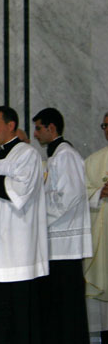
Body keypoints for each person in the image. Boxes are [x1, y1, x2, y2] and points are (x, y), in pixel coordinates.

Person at [0, 106, 48, 344]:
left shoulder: (27, 154)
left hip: (17, 252)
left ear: (11, 125)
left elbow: (22, 193)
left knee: (17, 322)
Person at [32, 107, 91, 344]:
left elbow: (71, 195)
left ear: (51, 127)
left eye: (38, 129)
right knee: (57, 306)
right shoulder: (55, 157)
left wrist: (40, 216)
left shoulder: (66, 155)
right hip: (54, 245)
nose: (36, 134)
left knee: (67, 307)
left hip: (65, 244)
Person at [84, 111, 108, 339]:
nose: (107, 129)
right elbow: (81, 193)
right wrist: (100, 192)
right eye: (105, 125)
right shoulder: (94, 161)